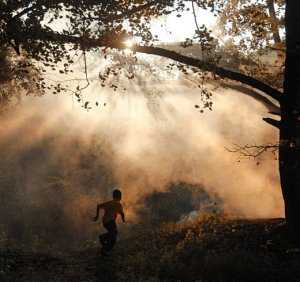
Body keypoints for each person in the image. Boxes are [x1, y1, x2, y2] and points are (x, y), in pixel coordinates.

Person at [93, 189, 125, 255]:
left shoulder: (109, 203)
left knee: (113, 234)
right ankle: (104, 246)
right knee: (113, 236)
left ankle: (104, 243)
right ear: (120, 197)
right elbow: (122, 213)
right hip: (110, 221)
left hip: (105, 222)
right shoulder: (118, 204)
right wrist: (123, 219)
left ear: (113, 196)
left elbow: (98, 206)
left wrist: (97, 216)